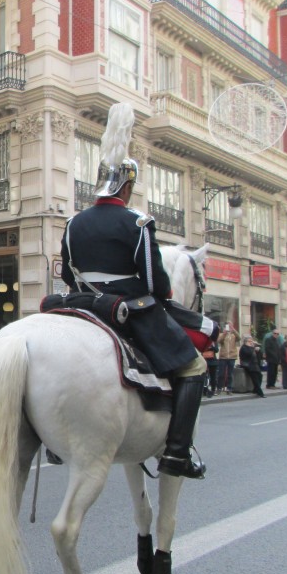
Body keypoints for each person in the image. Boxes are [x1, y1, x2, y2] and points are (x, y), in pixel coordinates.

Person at [60, 103, 207, 479]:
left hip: (83, 307)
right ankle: (177, 453)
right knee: (194, 365)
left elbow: (66, 275)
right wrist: (163, 298)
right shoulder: (137, 222)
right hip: (129, 309)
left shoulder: (73, 223)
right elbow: (155, 282)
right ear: (127, 187)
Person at [216, 323, 240, 394]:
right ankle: (219, 388)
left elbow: (239, 338)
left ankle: (229, 388)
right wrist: (224, 334)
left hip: (232, 356)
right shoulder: (221, 334)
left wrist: (234, 330)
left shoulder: (233, 335)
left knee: (230, 374)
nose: (228, 328)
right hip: (223, 357)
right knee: (221, 373)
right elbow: (219, 341)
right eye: (227, 326)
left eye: (230, 327)